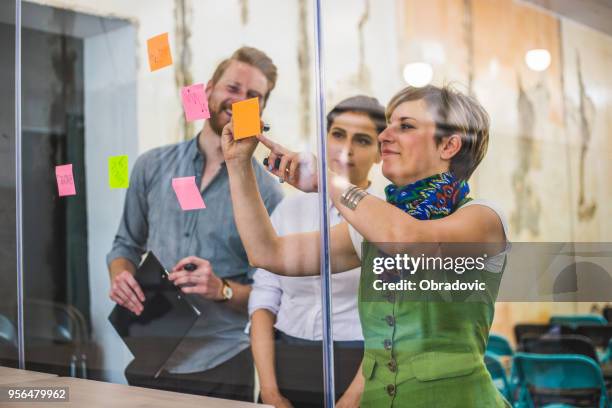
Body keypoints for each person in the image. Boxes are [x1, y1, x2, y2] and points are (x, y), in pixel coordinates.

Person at [220, 84, 511, 407]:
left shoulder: (483, 218)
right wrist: (238, 164)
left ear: (449, 145)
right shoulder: (373, 225)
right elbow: (267, 252)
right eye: (387, 125)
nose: (384, 136)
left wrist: (327, 179)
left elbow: (408, 239)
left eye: (405, 126)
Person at [106, 47, 284, 401]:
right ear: (208, 93)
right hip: (147, 350)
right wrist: (120, 275)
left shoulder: (267, 191)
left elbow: (273, 293)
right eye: (232, 88)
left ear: (261, 110)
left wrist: (223, 289)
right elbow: (125, 245)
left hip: (221, 362)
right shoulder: (151, 166)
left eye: (253, 97)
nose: (239, 101)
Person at [250, 96, 385, 408]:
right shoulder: (289, 208)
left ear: (380, 152)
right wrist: (270, 393)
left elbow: (391, 322)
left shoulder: (385, 216)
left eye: (362, 140)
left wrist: (351, 401)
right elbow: (264, 298)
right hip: (284, 360)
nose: (346, 149)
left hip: (360, 365)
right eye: (338, 135)